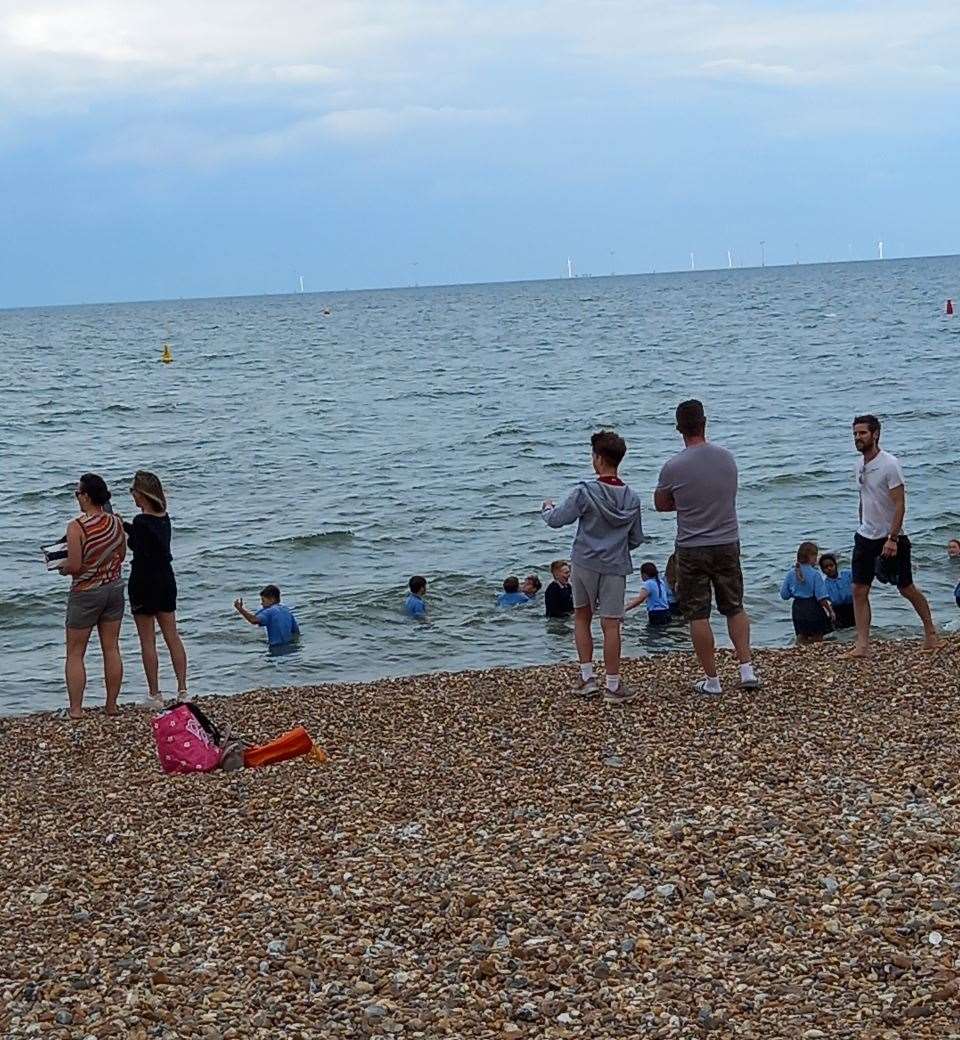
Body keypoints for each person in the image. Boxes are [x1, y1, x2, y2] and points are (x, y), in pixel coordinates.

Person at [655, 400, 760, 695]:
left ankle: (712, 680)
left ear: (679, 430)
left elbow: (661, 504)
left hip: (691, 546)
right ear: (705, 423)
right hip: (727, 540)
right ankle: (746, 668)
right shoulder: (727, 458)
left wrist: (683, 502)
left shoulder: (673, 467)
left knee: (698, 614)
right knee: (734, 606)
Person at [542, 429, 644, 705]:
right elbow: (636, 539)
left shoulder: (585, 492)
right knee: (612, 625)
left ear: (598, 459)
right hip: (615, 565)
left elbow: (557, 519)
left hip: (585, 562)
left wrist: (546, 508)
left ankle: (587, 678)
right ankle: (613, 684)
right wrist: (616, 547)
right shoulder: (632, 498)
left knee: (582, 617)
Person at [847, 414, 941, 657]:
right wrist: (861, 524)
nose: (858, 437)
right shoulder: (859, 464)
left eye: (863, 433)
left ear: (875, 434)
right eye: (855, 433)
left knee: (906, 587)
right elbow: (863, 498)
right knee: (859, 590)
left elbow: (899, 504)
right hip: (864, 536)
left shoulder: (889, 464)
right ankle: (862, 645)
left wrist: (893, 537)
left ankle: (931, 634)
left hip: (891, 537)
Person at [59, 473, 127, 719]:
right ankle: (112, 705)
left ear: (86, 496)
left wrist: (61, 567)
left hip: (86, 593)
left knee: (75, 652)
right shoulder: (116, 522)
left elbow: (75, 565)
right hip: (114, 589)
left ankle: (76, 709)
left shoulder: (76, 527)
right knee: (111, 648)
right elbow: (121, 554)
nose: (77, 497)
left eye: (78, 493)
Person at [123, 471, 188, 707]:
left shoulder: (141, 522)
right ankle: (182, 689)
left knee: (147, 640)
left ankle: (155, 693)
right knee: (172, 634)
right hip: (165, 579)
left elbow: (136, 545)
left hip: (143, 579)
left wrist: (124, 528)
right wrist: (127, 526)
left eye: (134, 492)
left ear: (142, 494)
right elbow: (150, 539)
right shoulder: (163, 518)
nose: (133, 497)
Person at [780, 542, 834, 643]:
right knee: (818, 635)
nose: (816, 559)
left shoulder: (790, 573)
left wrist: (796, 592)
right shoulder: (815, 574)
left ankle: (799, 651)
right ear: (810, 556)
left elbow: (784, 595)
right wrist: (830, 611)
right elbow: (821, 597)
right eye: (815, 556)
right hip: (813, 607)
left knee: (801, 635)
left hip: (798, 608)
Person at [234, 585, 300, 646]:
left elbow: (253, 620)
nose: (261, 603)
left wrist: (240, 609)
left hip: (276, 648)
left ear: (272, 600)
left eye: (263, 600)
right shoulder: (286, 610)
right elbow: (296, 632)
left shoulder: (269, 611)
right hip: (290, 647)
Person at [625, 561, 673, 626]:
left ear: (644, 574)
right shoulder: (660, 582)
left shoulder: (648, 583)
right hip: (667, 612)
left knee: (654, 634)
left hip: (656, 614)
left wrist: (625, 609)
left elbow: (640, 599)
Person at [819, 552, 855, 629]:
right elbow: (824, 601)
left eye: (831, 565)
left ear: (836, 565)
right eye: (826, 567)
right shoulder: (824, 584)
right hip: (838, 611)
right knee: (842, 632)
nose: (829, 568)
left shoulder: (848, 575)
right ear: (822, 570)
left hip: (853, 606)